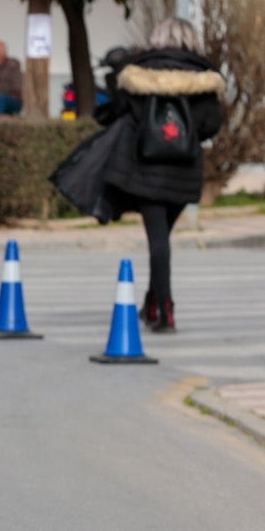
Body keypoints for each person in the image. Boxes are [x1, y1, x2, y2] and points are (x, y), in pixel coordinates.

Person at [95, 18, 224, 333]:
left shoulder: (138, 73)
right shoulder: (205, 77)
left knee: (157, 240)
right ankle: (153, 301)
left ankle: (165, 309)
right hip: (185, 169)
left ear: (158, 39)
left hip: (147, 169)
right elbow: (211, 125)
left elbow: (117, 112)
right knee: (162, 238)